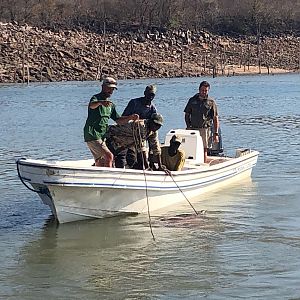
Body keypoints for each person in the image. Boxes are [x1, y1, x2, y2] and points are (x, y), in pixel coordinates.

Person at [83, 77, 138, 167]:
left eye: (112, 89)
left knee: (101, 161)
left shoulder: (111, 105)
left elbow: (118, 120)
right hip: (92, 134)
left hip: (102, 136)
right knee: (109, 156)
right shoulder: (95, 98)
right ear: (103, 87)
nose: (111, 91)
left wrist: (130, 117)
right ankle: (108, 176)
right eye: (109, 88)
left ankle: (99, 178)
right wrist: (100, 103)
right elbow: (92, 106)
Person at [120, 84, 158, 168]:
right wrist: (132, 118)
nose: (150, 97)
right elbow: (122, 118)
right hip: (130, 133)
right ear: (144, 93)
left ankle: (148, 164)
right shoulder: (134, 103)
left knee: (146, 151)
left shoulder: (152, 108)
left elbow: (153, 126)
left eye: (152, 95)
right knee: (132, 159)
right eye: (149, 94)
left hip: (143, 135)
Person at [184, 80, 220, 163]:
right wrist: (188, 126)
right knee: (191, 148)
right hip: (192, 128)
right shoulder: (192, 100)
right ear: (199, 89)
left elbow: (215, 118)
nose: (204, 92)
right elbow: (186, 115)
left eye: (206, 90)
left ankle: (204, 164)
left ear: (208, 91)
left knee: (204, 148)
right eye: (202, 90)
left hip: (205, 129)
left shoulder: (211, 102)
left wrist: (216, 133)